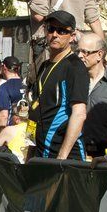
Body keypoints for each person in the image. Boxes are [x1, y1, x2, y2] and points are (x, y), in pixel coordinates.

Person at [28, 11, 88, 160]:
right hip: (40, 154)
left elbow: (79, 114)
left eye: (61, 31)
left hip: (65, 157)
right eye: (51, 29)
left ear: (72, 36)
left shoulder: (75, 66)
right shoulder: (43, 66)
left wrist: (61, 158)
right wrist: (29, 156)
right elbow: (36, 109)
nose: (55, 34)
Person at [0, 56, 24, 131]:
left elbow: (3, 116)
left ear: (4, 67)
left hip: (12, 132)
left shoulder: (5, 88)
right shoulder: (27, 85)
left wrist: (0, 134)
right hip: (29, 130)